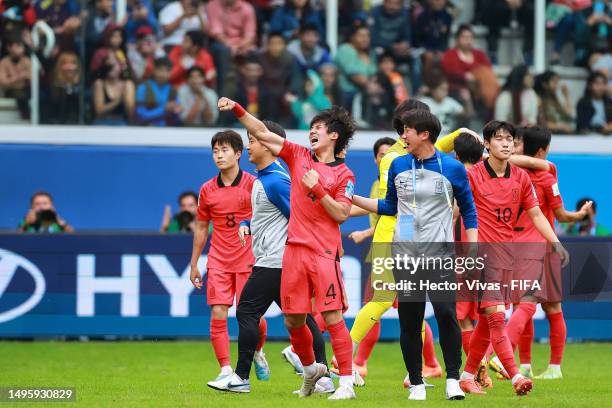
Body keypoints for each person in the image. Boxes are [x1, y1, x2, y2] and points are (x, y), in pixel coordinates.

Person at [219, 97, 358, 400]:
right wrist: (239, 110)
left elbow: (341, 214)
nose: (312, 132)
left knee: (332, 317)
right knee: (293, 319)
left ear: (334, 135)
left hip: (322, 253)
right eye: (310, 127)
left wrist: (318, 189)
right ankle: (310, 372)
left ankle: (346, 383)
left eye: (318, 127)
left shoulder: (344, 175)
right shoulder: (298, 156)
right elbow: (263, 132)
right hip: (293, 252)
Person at [352, 109, 477, 401]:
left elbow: (468, 210)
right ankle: (417, 383)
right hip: (405, 257)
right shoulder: (396, 166)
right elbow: (389, 206)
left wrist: (472, 248)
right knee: (410, 321)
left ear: (425, 134)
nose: (402, 136)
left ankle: (452, 380)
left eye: (407, 130)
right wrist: (352, 198)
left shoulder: (452, 168)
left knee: (447, 316)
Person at [207, 121, 334, 394]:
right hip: (277, 259)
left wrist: (309, 252)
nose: (249, 146)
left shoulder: (275, 180)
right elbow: (271, 213)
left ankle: (240, 377)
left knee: (246, 311)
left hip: (276, 261)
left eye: (252, 140)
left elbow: (299, 216)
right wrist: (247, 222)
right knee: (301, 317)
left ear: (268, 144)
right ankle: (323, 378)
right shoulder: (266, 176)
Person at [458, 120, 569, 396]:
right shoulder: (472, 177)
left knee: (486, 321)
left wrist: (556, 243)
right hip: (480, 256)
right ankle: (516, 374)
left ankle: (467, 375)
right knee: (496, 316)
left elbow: (535, 214)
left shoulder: (520, 177)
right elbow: (454, 211)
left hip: (508, 256)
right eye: (499, 138)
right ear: (486, 144)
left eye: (510, 139)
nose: (506, 143)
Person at [505, 126, 593, 381]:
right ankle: (553, 366)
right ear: (543, 150)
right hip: (543, 246)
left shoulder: (512, 173)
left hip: (515, 246)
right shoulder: (547, 176)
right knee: (551, 307)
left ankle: (525, 364)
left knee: (523, 304)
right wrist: (579, 215)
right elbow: (562, 215)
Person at [189, 130, 264, 388]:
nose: (219, 155)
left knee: (253, 318)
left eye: (224, 150)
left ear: (238, 154)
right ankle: (224, 369)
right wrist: (195, 263)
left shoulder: (254, 185)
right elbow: (201, 227)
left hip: (249, 259)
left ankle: (257, 351)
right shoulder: (207, 189)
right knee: (218, 312)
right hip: (219, 260)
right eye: (215, 151)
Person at [441, 25, 497, 116]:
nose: (468, 40)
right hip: (457, 87)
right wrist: (465, 76)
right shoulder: (450, 54)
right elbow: (450, 71)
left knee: (488, 93)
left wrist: (474, 78)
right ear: (457, 39)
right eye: (465, 37)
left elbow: (487, 70)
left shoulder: (479, 54)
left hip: (478, 89)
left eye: (470, 37)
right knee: (464, 95)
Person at [258, 32, 300, 127]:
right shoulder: (260, 58)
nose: (275, 46)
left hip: (284, 94)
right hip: (265, 94)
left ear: (284, 45)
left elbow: (296, 78)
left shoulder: (291, 58)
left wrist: (291, 92)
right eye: (272, 43)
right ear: (267, 45)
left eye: (278, 43)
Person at [335, 24, 377, 109]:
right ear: (352, 37)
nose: (365, 39)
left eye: (367, 36)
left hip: (364, 94)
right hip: (346, 94)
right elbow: (353, 74)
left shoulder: (369, 53)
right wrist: (370, 86)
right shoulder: (346, 49)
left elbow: (373, 73)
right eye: (361, 36)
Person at [135, 57, 181, 126]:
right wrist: (164, 109)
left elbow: (176, 111)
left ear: (171, 72)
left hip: (167, 130)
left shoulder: (172, 90)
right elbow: (140, 115)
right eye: (160, 70)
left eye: (167, 71)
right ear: (154, 70)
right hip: (146, 129)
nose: (163, 74)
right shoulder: (143, 88)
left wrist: (177, 110)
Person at [92, 57, 136, 125]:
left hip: (121, 122)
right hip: (102, 122)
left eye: (115, 64)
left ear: (121, 67)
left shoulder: (127, 84)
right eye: (109, 65)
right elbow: (99, 111)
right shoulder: (99, 83)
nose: (112, 67)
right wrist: (119, 100)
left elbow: (130, 113)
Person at [0, 38, 31, 119]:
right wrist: (18, 77)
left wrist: (25, 76)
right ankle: (26, 117)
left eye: (22, 46)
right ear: (9, 48)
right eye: (17, 46)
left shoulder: (27, 61)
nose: (21, 49)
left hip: (26, 89)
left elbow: (32, 77)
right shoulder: (4, 62)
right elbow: (3, 82)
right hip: (11, 90)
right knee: (20, 95)